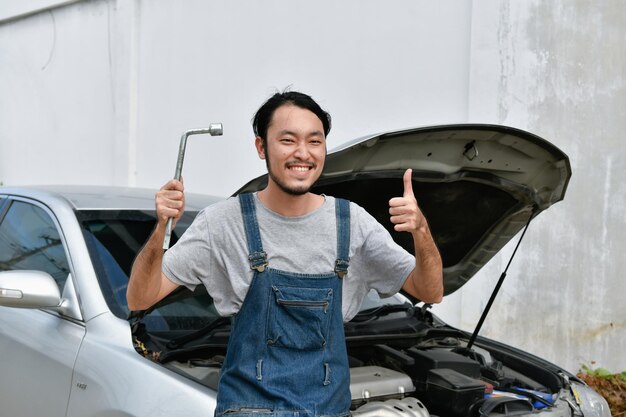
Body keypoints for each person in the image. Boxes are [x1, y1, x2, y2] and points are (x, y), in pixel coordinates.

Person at [127, 90, 443, 417]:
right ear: (261, 147)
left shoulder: (352, 224)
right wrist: (161, 228)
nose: (302, 153)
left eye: (314, 141)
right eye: (288, 140)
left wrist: (422, 232)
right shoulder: (222, 224)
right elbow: (140, 298)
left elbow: (430, 291)